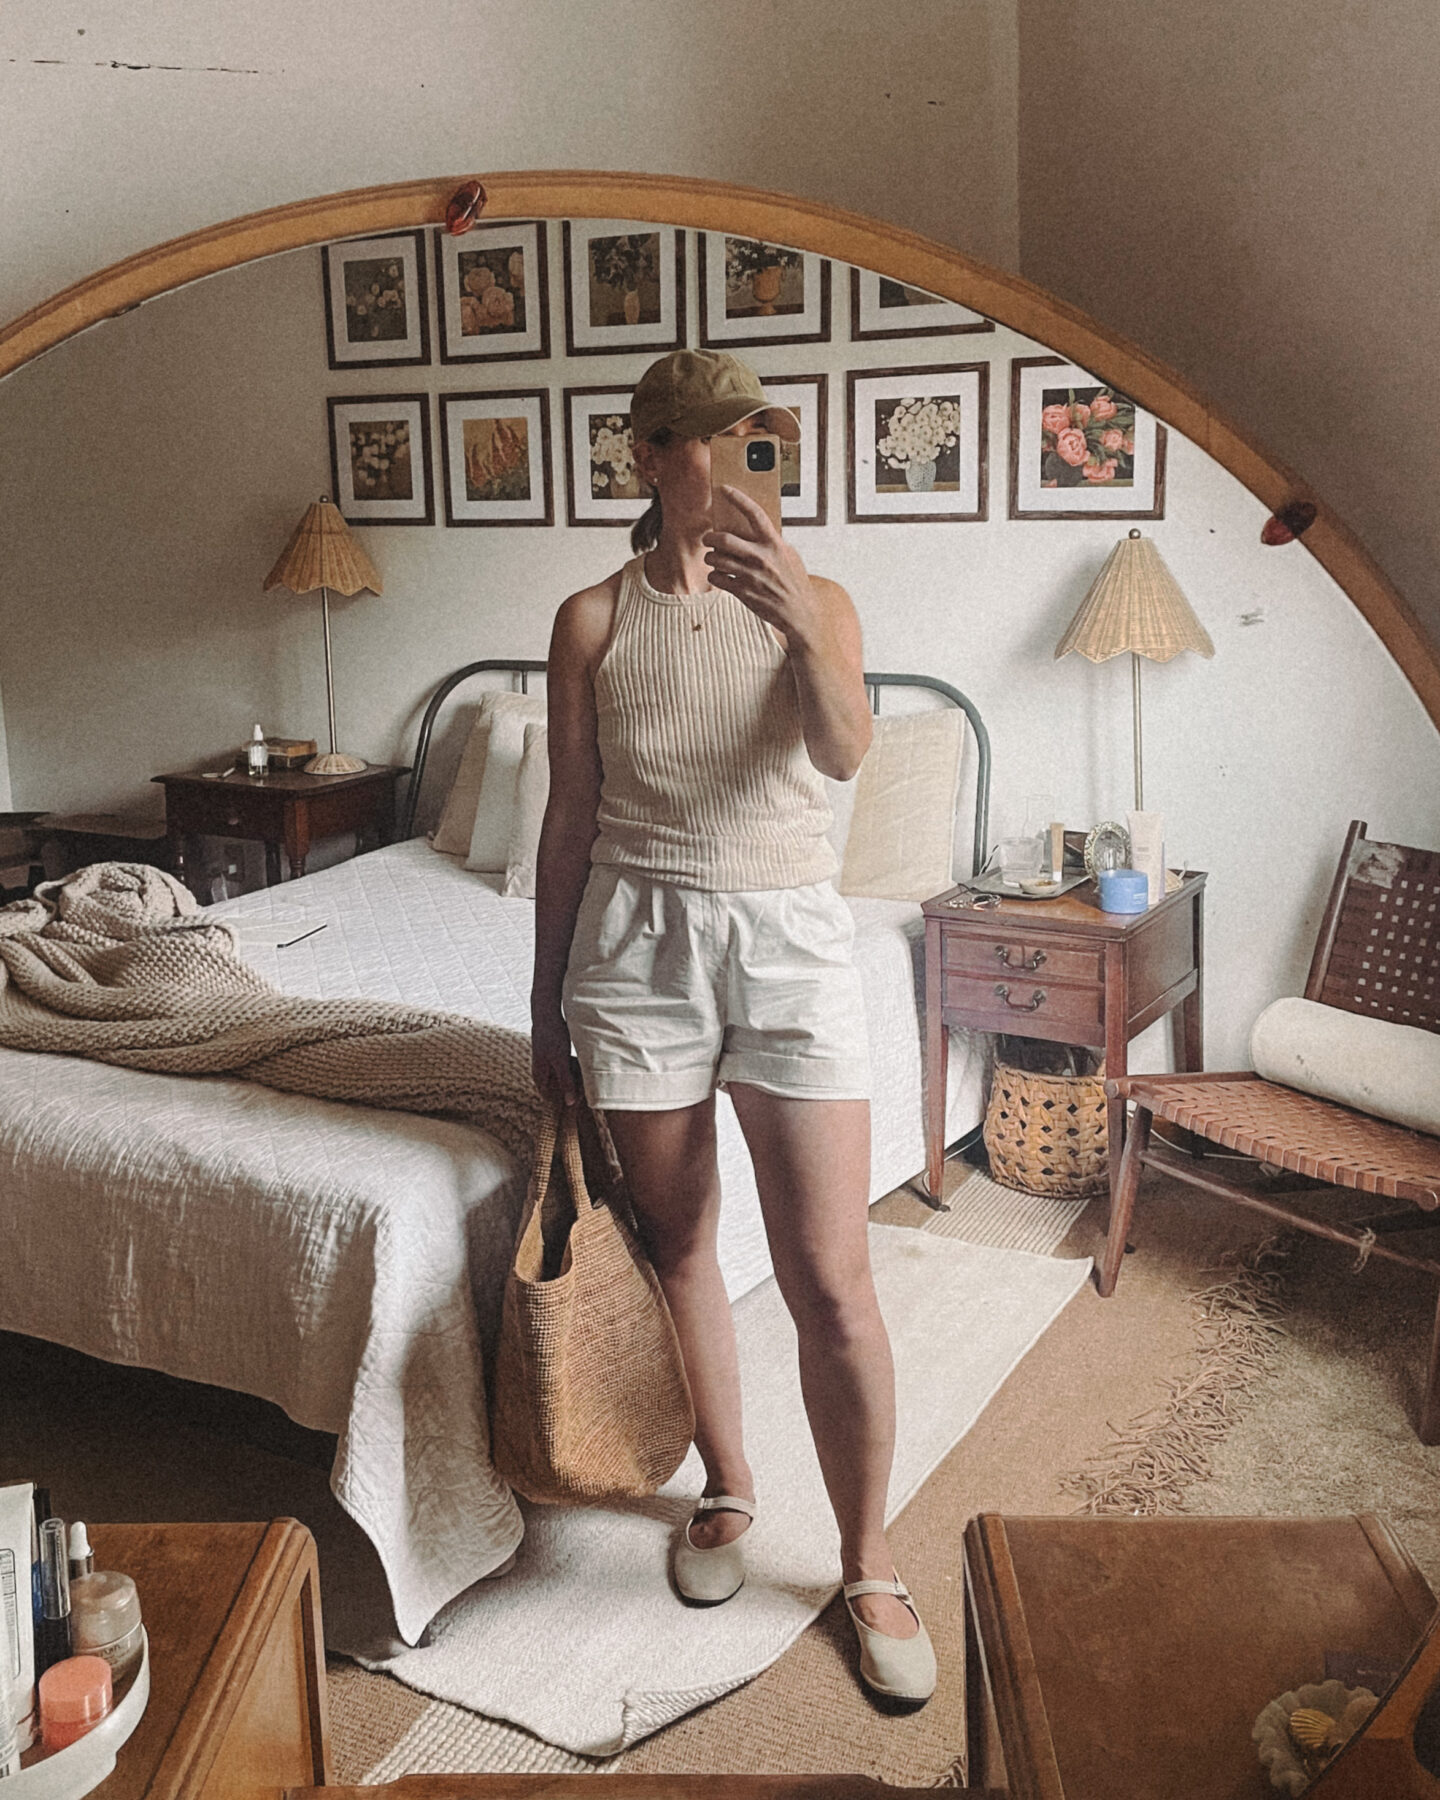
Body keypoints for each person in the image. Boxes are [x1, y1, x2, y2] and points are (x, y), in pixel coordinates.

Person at [530, 348, 936, 1705]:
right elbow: (571, 815)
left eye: (755, 440)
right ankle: (731, 1482)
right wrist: (543, 1001)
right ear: (647, 459)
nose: (735, 463)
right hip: (635, 951)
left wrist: (806, 626)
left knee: (833, 1275)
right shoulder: (591, 619)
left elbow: (840, 753)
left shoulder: (821, 598)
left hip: (791, 943)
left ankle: (869, 1561)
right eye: (705, 442)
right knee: (680, 1239)